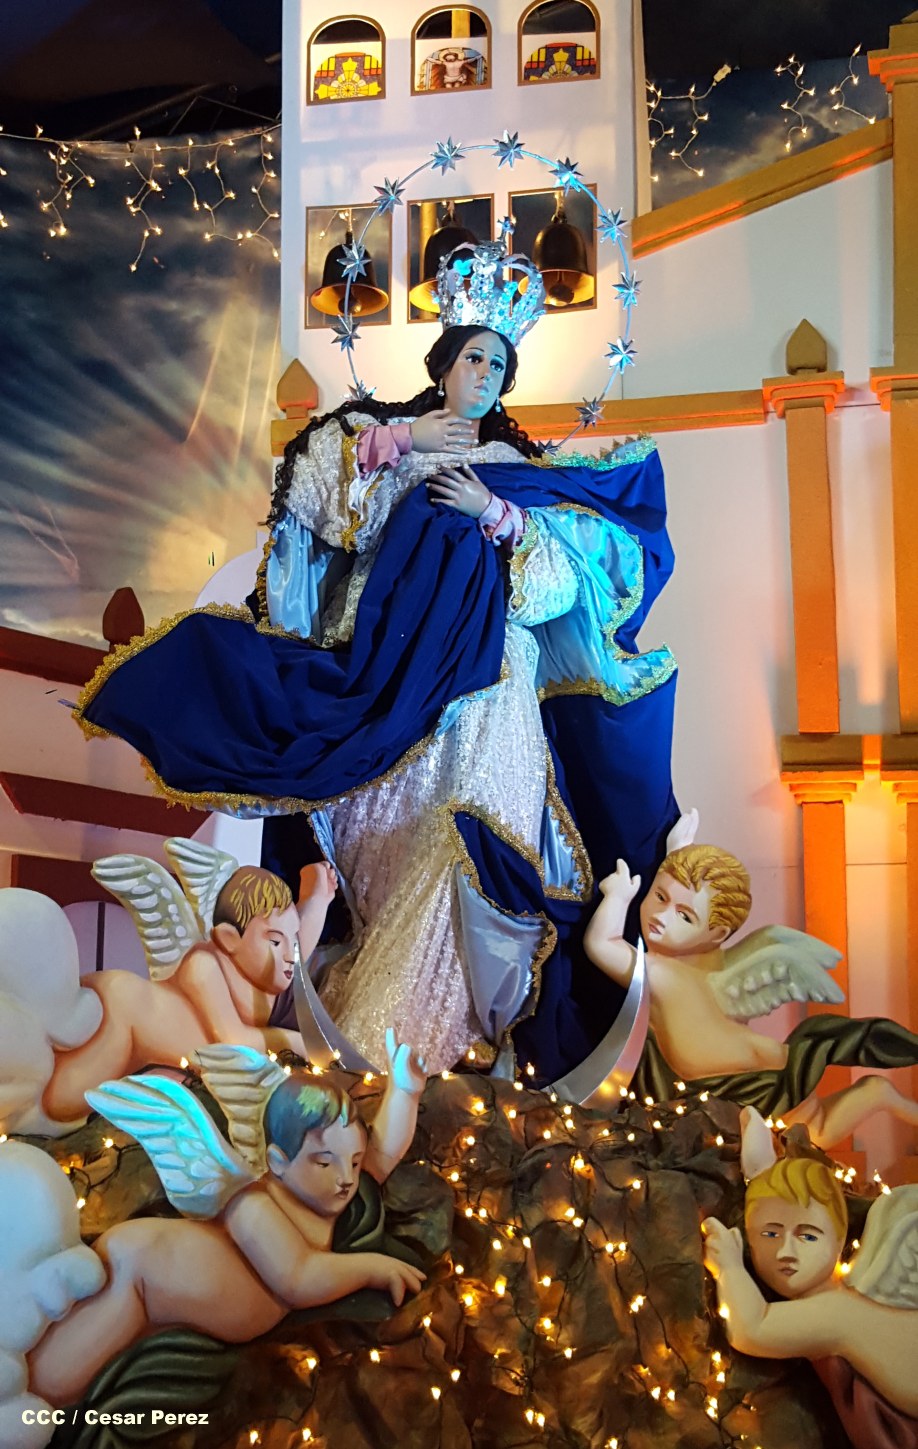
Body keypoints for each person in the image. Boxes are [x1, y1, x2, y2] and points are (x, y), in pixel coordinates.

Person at [74, 240, 681, 1080]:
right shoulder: (384, 444)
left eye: (499, 364)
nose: (486, 375)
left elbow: (556, 589)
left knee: (480, 845)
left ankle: (434, 1054)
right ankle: (385, 1061)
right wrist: (398, 439)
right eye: (474, 357)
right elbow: (318, 505)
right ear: (445, 362)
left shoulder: (519, 471)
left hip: (492, 690)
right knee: (398, 861)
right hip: (394, 691)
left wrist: (495, 512)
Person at [26, 1032, 428, 1409]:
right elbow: (299, 1278)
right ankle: (26, 1405)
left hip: (165, 1297)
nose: (346, 1178)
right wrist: (372, 1268)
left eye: (352, 1162)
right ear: (277, 1162)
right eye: (325, 1163)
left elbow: (382, 1155)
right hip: (143, 1273)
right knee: (56, 1379)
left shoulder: (329, 1192)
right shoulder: (252, 1204)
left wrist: (405, 1092)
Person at [587, 840, 918, 1143]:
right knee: (811, 1130)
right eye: (660, 897)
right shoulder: (703, 965)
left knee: (813, 1136)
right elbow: (691, 916)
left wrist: (618, 896)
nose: (661, 916)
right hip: (751, 1067)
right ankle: (876, 1094)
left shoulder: (661, 972)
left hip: (754, 1080)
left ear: (717, 934)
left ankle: (878, 1096)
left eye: (684, 917)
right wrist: (678, 851)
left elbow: (601, 943)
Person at [35, 862, 337, 1124]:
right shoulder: (204, 966)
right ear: (229, 939)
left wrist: (318, 899)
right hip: (125, 1010)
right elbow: (233, 1041)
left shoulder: (269, 975)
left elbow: (298, 946)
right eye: (274, 942)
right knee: (64, 1102)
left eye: (290, 940)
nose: (289, 954)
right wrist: (297, 1042)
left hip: (172, 1062)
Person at [703, 1154, 918, 1445]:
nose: (786, 1252)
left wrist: (728, 1266)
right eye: (770, 1234)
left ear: (839, 1240)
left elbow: (752, 1328)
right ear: (750, 1240)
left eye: (808, 1236)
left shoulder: (838, 1310)